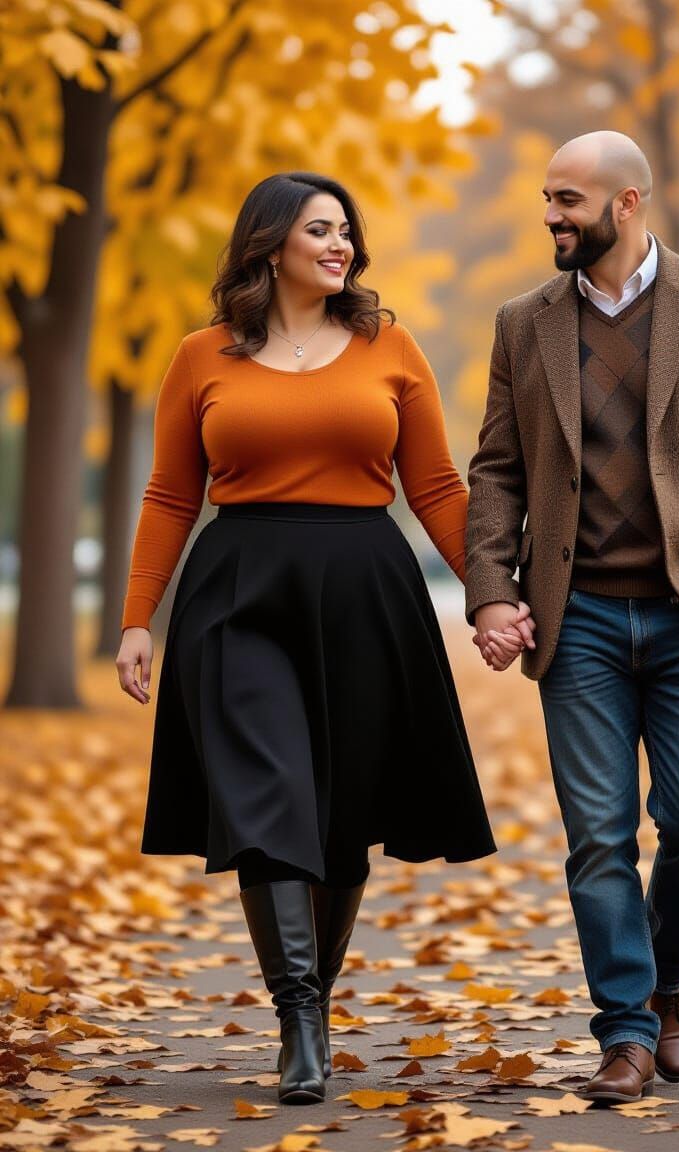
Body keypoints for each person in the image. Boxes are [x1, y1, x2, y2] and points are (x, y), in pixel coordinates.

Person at [115, 172, 535, 1106]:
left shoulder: (389, 345)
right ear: (270, 244)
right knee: (269, 799)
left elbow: (434, 487)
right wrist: (139, 619)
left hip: (363, 590)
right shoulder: (202, 357)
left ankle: (319, 992)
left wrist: (492, 596)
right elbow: (171, 495)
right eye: (319, 230)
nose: (340, 245)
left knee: (340, 818)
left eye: (346, 230)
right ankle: (298, 1013)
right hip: (239, 592)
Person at [467, 132, 679, 1102]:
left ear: (626, 204)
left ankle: (666, 983)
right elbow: (495, 470)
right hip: (574, 626)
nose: (548, 216)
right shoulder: (521, 323)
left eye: (565, 199)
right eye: (544, 198)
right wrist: (493, 587)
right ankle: (622, 1031)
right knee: (597, 837)